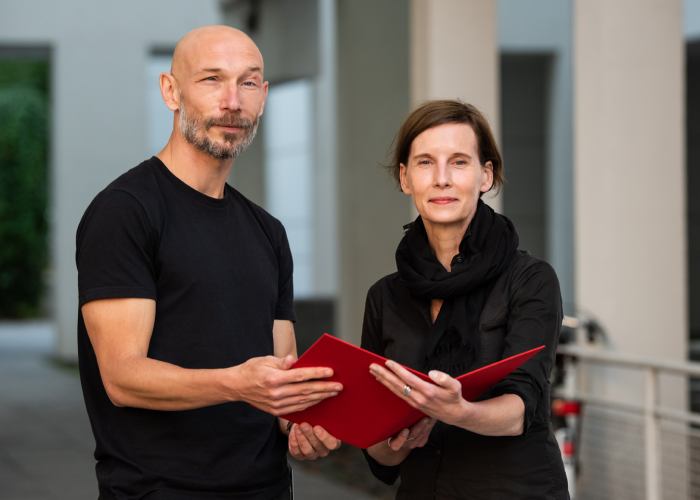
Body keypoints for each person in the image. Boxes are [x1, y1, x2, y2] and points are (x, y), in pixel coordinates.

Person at [76, 25, 341, 500]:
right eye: (211, 79)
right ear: (170, 91)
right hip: (158, 491)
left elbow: (281, 374)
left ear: (262, 96)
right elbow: (122, 378)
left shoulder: (268, 232)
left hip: (266, 489)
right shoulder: (126, 212)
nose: (232, 102)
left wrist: (302, 421)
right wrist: (238, 384)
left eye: (247, 83)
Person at [361, 100, 569, 499]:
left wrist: (459, 412)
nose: (442, 179)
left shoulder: (530, 280)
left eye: (458, 162)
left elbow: (522, 409)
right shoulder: (385, 297)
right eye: (425, 163)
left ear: (485, 175)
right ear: (405, 178)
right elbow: (379, 452)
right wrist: (394, 441)